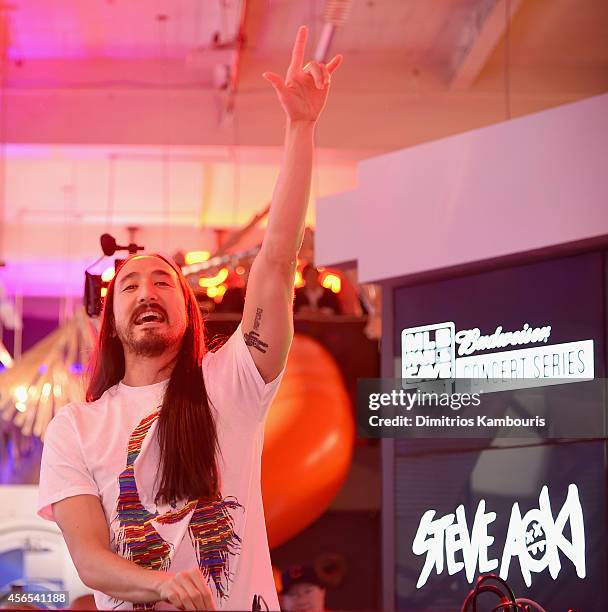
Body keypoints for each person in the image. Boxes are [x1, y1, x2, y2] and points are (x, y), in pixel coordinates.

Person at [36, 26, 342, 612]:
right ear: (112, 317)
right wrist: (160, 584)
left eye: (163, 281)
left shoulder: (234, 382)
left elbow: (275, 262)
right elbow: (90, 560)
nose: (147, 290)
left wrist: (300, 129)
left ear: (188, 308)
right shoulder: (76, 427)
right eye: (130, 284)